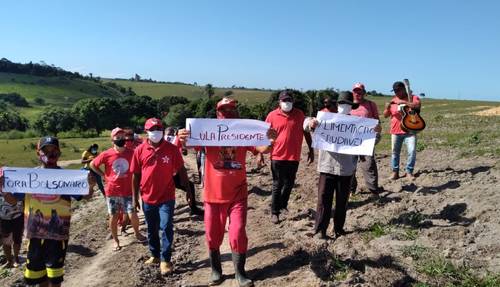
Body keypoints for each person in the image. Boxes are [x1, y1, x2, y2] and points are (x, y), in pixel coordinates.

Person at [178, 97, 276, 287]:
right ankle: (216, 270)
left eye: (231, 110)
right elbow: (188, 145)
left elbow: (261, 148)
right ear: (217, 114)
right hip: (213, 195)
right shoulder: (208, 132)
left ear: (237, 113)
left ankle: (240, 272)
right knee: (212, 234)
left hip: (238, 193)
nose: (228, 113)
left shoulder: (244, 132)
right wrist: (182, 138)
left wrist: (271, 140)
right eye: (224, 111)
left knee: (238, 232)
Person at [0, 136, 95, 287]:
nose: (51, 154)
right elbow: (13, 200)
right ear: (38, 153)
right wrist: (3, 189)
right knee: (38, 276)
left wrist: (90, 185)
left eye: (54, 151)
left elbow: (85, 196)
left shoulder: (68, 178)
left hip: (58, 236)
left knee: (55, 277)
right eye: (46, 151)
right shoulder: (28, 178)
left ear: (59, 153)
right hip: (34, 236)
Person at [131, 118, 193, 276]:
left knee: (166, 227)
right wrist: (134, 198)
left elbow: (181, 170)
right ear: (147, 131)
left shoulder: (171, 149)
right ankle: (155, 255)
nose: (156, 131)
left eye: (159, 128)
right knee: (151, 230)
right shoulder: (139, 150)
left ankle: (166, 259)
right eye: (153, 129)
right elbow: (136, 175)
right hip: (147, 197)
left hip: (167, 196)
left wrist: (188, 190)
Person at [304, 91, 359, 239]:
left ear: (352, 107)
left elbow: (371, 140)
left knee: (342, 202)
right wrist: (310, 123)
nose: (344, 107)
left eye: (348, 104)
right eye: (341, 104)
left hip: (346, 169)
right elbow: (306, 124)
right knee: (323, 201)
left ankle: (339, 230)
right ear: (337, 105)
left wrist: (376, 133)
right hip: (327, 166)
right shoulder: (325, 119)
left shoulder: (357, 123)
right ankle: (320, 230)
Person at [89, 127, 146, 251]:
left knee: (133, 214)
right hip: (112, 191)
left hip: (128, 190)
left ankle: (137, 233)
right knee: (113, 217)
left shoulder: (132, 152)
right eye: (117, 137)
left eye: (122, 137)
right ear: (112, 140)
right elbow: (92, 164)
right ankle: (116, 241)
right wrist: (103, 175)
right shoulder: (106, 154)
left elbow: (140, 166)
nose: (121, 139)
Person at [265, 90, 314, 224]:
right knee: (277, 184)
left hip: (293, 156)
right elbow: (263, 134)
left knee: (289, 183)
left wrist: (311, 149)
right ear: (279, 102)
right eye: (284, 100)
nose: (287, 103)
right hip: (277, 155)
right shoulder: (272, 116)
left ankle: (283, 204)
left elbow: (306, 133)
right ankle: (275, 212)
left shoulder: (299, 114)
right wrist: (260, 154)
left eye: (289, 100)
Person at [383, 81, 422, 179]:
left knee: (411, 151)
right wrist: (386, 108)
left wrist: (405, 102)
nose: (396, 93)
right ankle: (395, 172)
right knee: (395, 153)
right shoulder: (393, 100)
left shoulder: (412, 98)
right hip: (395, 131)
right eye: (395, 91)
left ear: (404, 89)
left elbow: (417, 106)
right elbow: (385, 115)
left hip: (410, 130)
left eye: (398, 90)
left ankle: (409, 171)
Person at [350, 83, 383, 194]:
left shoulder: (370, 104)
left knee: (368, 164)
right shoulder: (348, 105)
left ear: (364, 92)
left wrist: (377, 128)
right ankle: (350, 189)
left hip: (366, 140)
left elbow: (377, 121)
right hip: (350, 140)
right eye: (355, 91)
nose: (357, 93)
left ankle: (373, 189)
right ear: (352, 92)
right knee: (350, 165)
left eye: (360, 91)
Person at [0, 193, 24, 268]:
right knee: (5, 241)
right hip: (3, 217)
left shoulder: (17, 183)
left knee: (17, 239)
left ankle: (16, 258)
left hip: (18, 216)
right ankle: (9, 260)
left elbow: (19, 199)